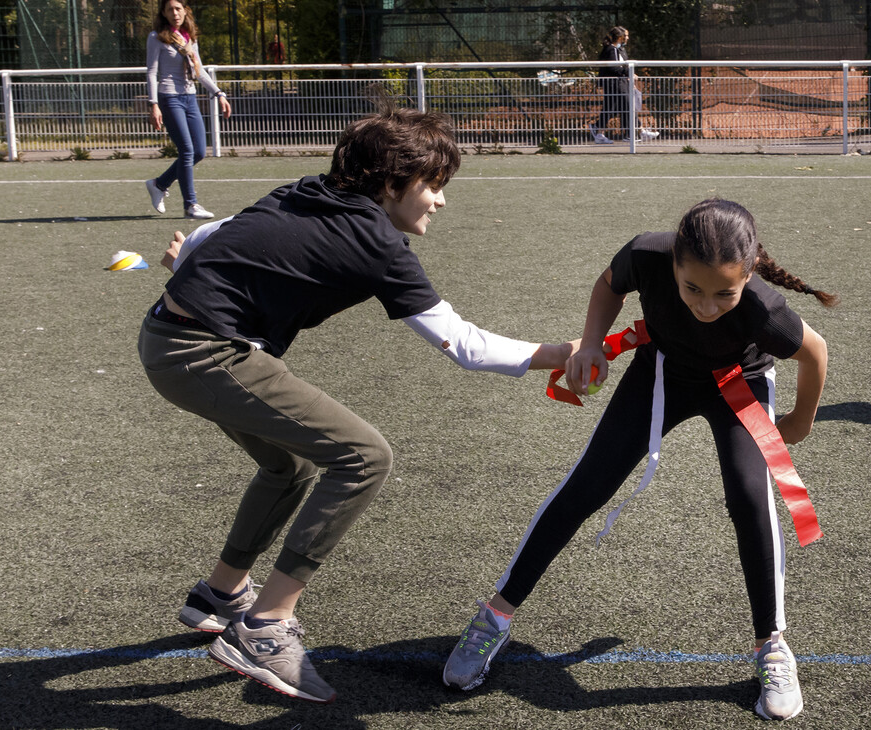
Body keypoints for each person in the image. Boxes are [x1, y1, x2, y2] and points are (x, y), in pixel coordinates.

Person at [139, 104, 576, 705]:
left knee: (287, 466)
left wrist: (183, 262)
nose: (440, 202)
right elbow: (465, 346)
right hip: (203, 353)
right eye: (434, 186)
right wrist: (563, 352)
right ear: (393, 184)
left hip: (169, 336)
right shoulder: (378, 242)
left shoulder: (306, 190)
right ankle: (265, 626)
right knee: (364, 456)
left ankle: (218, 593)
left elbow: (217, 234)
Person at [442, 199, 835, 721]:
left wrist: (802, 419)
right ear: (673, 263)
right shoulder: (647, 253)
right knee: (588, 484)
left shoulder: (765, 308)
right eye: (692, 288)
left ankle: (772, 644)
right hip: (662, 371)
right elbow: (608, 285)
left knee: (750, 497)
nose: (706, 305)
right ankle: (494, 616)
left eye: (725, 293)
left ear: (749, 275)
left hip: (736, 385)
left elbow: (816, 351)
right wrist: (589, 344)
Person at [144, 0, 232, 220]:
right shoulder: (156, 37)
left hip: (190, 97)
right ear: (164, 13)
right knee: (186, 150)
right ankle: (190, 204)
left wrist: (218, 93)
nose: (175, 13)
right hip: (169, 97)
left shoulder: (189, 38)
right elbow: (151, 73)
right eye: (170, 10)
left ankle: (159, 184)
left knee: (199, 151)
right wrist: (153, 104)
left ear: (185, 11)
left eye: (178, 9)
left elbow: (200, 71)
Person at [589, 26, 659, 144]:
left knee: (621, 107)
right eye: (626, 35)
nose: (628, 38)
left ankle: (632, 132)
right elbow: (614, 68)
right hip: (614, 83)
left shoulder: (620, 49)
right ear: (620, 37)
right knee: (622, 105)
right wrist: (628, 73)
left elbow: (623, 67)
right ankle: (634, 132)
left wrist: (629, 78)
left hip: (622, 82)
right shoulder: (611, 49)